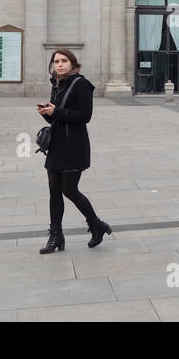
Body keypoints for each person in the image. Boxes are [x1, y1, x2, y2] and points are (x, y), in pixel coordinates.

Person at [37, 49, 112, 253]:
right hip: (56, 145)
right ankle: (56, 236)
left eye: (64, 61)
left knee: (69, 190)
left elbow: (84, 116)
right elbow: (57, 117)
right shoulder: (57, 83)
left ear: (72, 63)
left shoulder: (81, 85)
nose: (59, 65)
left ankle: (96, 224)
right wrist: (47, 113)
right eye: (56, 61)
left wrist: (57, 111)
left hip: (73, 146)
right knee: (54, 191)